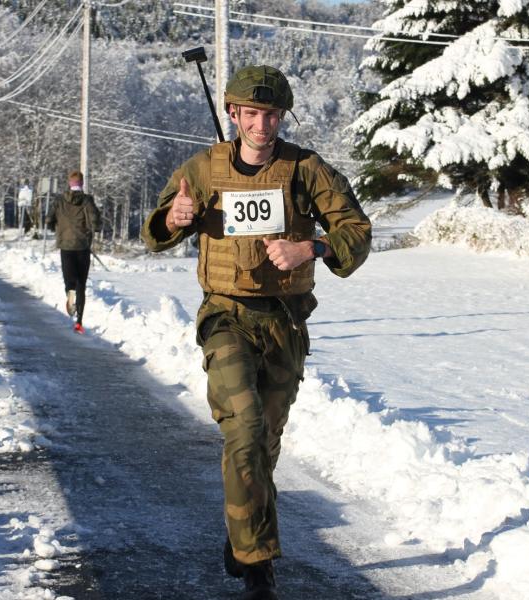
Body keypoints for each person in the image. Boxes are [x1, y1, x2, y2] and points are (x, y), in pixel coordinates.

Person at [142, 65, 371, 600]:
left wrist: (309, 247)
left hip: (284, 322)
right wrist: (174, 219)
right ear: (233, 114)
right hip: (225, 315)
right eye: (250, 114)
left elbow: (356, 232)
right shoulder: (204, 168)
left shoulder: (305, 170)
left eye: (271, 115)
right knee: (242, 430)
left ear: (281, 116)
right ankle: (258, 567)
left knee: (264, 444)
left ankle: (242, 533)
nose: (261, 126)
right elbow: (155, 229)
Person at [46, 170, 101, 333]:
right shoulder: (87, 200)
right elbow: (95, 221)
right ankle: (79, 322)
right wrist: (95, 228)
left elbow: (49, 219)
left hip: (65, 246)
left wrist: (52, 226)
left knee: (69, 280)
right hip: (82, 246)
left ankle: (70, 292)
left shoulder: (59, 201)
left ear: (69, 184)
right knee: (81, 285)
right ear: (82, 183)